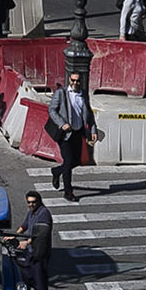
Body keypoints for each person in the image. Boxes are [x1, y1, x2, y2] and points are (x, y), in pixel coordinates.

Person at [45, 72, 95, 202]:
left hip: (78, 133)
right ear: (69, 80)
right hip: (66, 134)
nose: (75, 83)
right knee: (68, 162)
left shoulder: (84, 94)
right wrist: (62, 124)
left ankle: (57, 171)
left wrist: (93, 130)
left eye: (77, 81)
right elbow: (51, 110)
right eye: (73, 80)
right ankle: (68, 192)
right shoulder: (61, 93)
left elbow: (89, 114)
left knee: (76, 161)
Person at [11, 189, 53, 290]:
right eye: (29, 202)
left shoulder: (43, 214)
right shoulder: (31, 213)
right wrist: (14, 235)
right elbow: (24, 226)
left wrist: (26, 242)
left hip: (39, 252)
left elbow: (41, 234)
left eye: (33, 202)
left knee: (39, 277)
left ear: (39, 201)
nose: (31, 204)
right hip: (31, 251)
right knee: (28, 274)